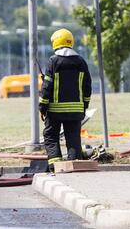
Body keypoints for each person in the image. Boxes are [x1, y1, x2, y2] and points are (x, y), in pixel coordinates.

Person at [40, 28, 92, 170]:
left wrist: (42, 107)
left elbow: (47, 86)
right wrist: (84, 105)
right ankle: (74, 165)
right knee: (73, 138)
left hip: (55, 111)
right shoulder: (81, 62)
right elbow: (87, 86)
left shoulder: (53, 61)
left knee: (51, 136)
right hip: (76, 111)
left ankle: (55, 167)